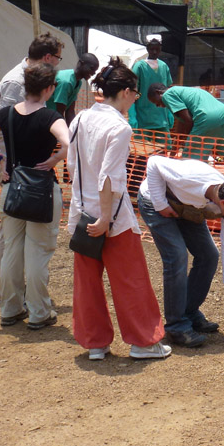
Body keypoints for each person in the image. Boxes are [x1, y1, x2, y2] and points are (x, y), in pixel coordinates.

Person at [68, 57, 171, 361]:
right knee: (131, 279)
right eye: (135, 94)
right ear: (126, 92)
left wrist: (88, 211)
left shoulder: (80, 119)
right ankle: (143, 341)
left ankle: (95, 344)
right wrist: (104, 217)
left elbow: (72, 165)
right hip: (112, 216)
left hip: (81, 211)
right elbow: (110, 177)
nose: (135, 99)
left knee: (86, 282)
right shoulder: (120, 127)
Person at [0, 63, 69, 329]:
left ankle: (11, 308)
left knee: (12, 249)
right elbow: (69, 142)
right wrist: (56, 158)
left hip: (12, 189)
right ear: (49, 89)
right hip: (42, 192)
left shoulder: (6, 114)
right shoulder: (51, 117)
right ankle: (39, 313)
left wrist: (0, 159)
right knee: (38, 252)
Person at [137, 155, 224, 347]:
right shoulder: (190, 178)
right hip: (155, 202)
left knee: (209, 255)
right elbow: (153, 162)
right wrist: (161, 204)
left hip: (188, 208)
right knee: (177, 256)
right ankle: (176, 326)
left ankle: (189, 312)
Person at [0, 33, 65, 306]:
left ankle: (15, 299)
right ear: (48, 57)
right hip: (17, 170)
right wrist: (3, 162)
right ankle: (10, 297)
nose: (59, 63)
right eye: (58, 58)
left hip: (25, 169)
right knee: (14, 240)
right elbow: (7, 126)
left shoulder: (31, 80)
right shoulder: (16, 82)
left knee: (18, 238)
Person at [148, 83, 224, 181]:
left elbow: (188, 121)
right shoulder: (186, 91)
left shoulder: (168, 95)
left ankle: (190, 196)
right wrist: (172, 155)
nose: (159, 106)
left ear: (159, 93)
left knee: (190, 162)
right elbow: (180, 130)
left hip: (205, 119)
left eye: (156, 102)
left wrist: (188, 142)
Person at [129, 36, 174, 135]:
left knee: (165, 148)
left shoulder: (164, 66)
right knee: (144, 149)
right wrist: (132, 116)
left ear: (161, 49)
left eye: (157, 49)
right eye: (152, 49)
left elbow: (169, 91)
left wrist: (170, 112)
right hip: (143, 120)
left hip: (162, 119)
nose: (154, 52)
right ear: (147, 48)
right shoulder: (139, 67)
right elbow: (133, 92)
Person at [46, 53, 100, 125]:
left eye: (95, 71)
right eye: (91, 68)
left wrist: (74, 131)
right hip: (48, 120)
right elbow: (59, 113)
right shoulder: (66, 82)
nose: (93, 73)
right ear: (81, 64)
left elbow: (70, 111)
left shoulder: (77, 82)